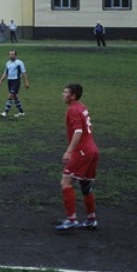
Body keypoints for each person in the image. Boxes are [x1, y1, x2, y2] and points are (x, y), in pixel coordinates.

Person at [55, 83, 99, 231]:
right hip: (92, 149)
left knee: (66, 182)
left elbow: (78, 132)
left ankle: (71, 219)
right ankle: (91, 219)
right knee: (85, 186)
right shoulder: (82, 106)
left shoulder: (73, 110)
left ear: (72, 96)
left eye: (65, 92)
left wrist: (69, 152)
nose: (63, 94)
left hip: (82, 151)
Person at [0, 50, 30, 117]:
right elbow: (5, 73)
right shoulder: (8, 63)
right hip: (10, 81)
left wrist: (26, 82)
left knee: (10, 95)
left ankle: (5, 112)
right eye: (10, 54)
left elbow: (23, 73)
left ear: (15, 55)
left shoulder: (19, 63)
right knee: (15, 96)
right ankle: (21, 112)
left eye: (12, 54)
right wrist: (1, 80)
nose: (11, 56)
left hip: (16, 81)